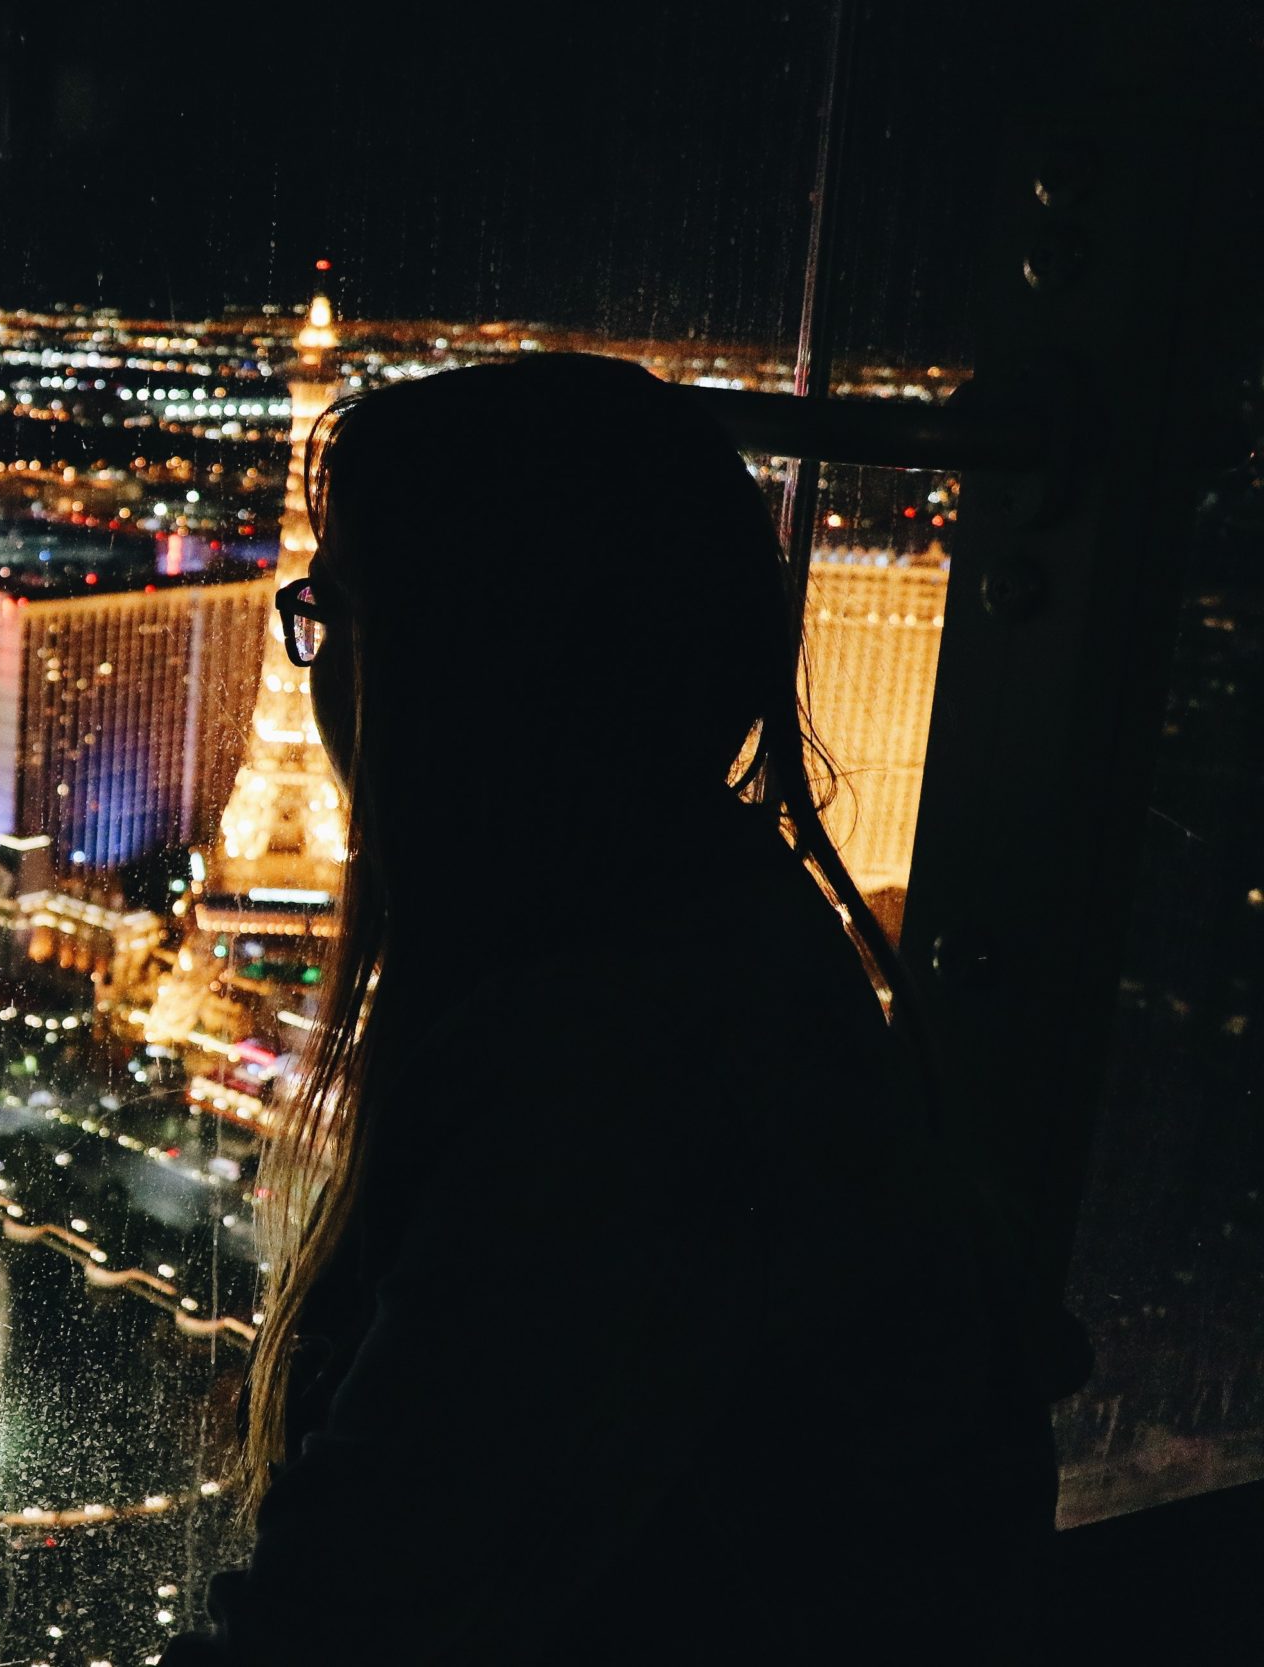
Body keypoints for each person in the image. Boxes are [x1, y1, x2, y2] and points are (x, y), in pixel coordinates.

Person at [162, 355, 1085, 1664]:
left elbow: (350, 1600)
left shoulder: (611, 1080)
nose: (317, 668)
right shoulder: (729, 949)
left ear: (465, 662)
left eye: (337, 611)